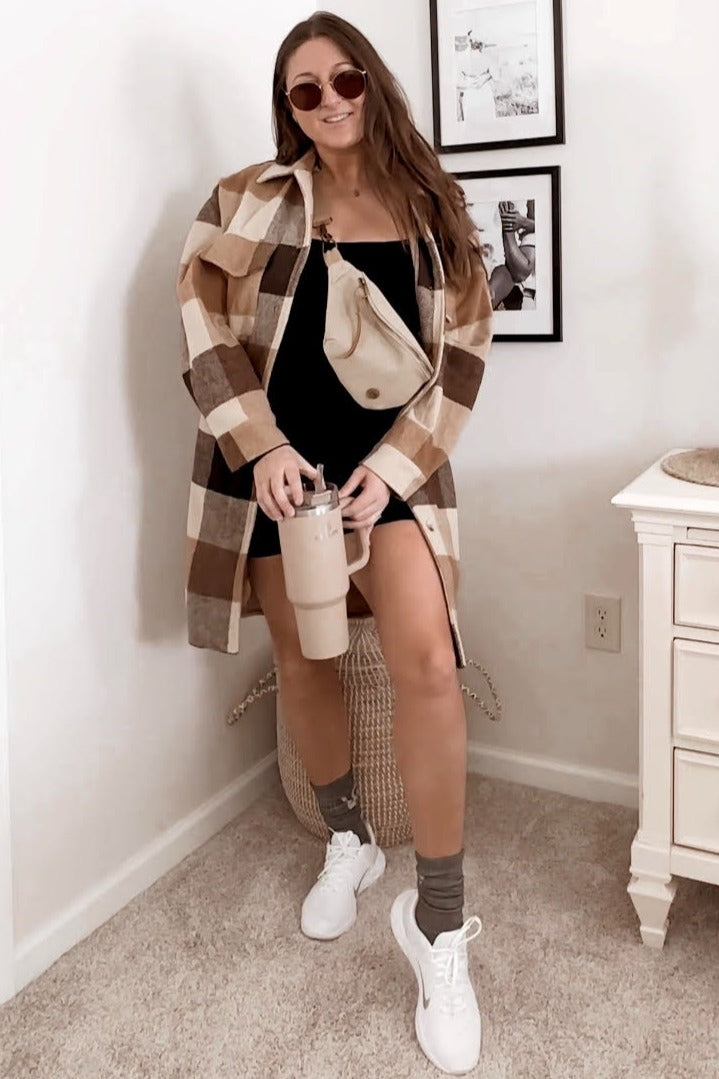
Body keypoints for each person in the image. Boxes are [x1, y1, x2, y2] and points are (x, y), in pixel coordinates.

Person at [176, 12, 493, 1075]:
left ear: (374, 82)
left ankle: (437, 922)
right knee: (306, 657)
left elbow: (463, 352)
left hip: (391, 470)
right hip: (280, 471)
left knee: (429, 665)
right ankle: (349, 838)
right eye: (303, 90)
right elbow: (199, 316)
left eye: (344, 79)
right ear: (287, 107)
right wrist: (258, 444)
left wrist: (397, 466)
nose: (328, 103)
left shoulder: (431, 204)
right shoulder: (249, 198)